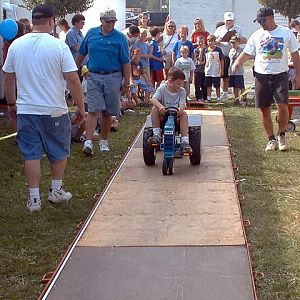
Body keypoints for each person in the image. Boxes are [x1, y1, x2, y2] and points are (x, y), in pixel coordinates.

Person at [2, 4, 85, 212]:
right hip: (54, 109)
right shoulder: (58, 46)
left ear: (33, 21)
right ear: (51, 20)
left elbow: (8, 78)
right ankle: (56, 191)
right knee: (58, 151)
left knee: (31, 154)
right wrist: (81, 107)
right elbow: (73, 80)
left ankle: (34, 199)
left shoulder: (16, 45)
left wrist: (12, 104)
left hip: (27, 109)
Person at [232, 7, 300, 152]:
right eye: (259, 21)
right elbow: (247, 52)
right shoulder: (257, 34)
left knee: (282, 105)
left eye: (263, 20)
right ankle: (271, 139)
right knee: (264, 109)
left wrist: (299, 75)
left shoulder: (286, 33)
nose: (261, 24)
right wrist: (238, 62)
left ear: (271, 17)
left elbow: (295, 55)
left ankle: (281, 135)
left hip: (280, 75)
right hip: (261, 76)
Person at [76, 9, 130, 155]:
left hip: (113, 77)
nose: (110, 24)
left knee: (107, 112)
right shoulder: (91, 34)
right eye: (108, 21)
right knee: (93, 110)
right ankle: (88, 142)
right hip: (93, 76)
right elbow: (81, 53)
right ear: (101, 20)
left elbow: (126, 62)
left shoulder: (120, 38)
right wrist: (74, 70)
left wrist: (126, 83)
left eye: (113, 21)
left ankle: (104, 140)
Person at [148, 67, 192, 153]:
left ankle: (184, 141)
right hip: (163, 117)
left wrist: (180, 109)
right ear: (170, 81)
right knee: (154, 108)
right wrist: (160, 106)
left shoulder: (182, 91)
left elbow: (183, 104)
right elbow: (153, 99)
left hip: (176, 118)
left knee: (184, 114)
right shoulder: (162, 89)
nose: (181, 86)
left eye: (182, 84)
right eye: (178, 84)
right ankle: (156, 135)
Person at [214, 12, 247, 100]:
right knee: (224, 75)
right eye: (227, 20)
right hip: (223, 55)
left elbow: (245, 40)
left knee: (236, 75)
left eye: (231, 21)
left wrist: (236, 39)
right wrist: (219, 40)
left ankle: (239, 95)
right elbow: (214, 41)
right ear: (224, 20)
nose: (229, 22)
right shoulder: (219, 29)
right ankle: (224, 92)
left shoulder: (238, 28)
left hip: (235, 55)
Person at [204, 34, 224, 102]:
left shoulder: (218, 50)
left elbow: (222, 60)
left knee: (217, 86)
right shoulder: (206, 50)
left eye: (212, 41)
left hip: (216, 71)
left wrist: (222, 70)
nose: (210, 43)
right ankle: (208, 98)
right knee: (208, 85)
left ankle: (218, 98)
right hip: (208, 71)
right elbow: (205, 60)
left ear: (215, 41)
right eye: (209, 41)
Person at [228, 35, 245, 104]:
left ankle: (244, 98)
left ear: (238, 43)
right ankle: (236, 99)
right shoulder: (231, 50)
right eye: (231, 43)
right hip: (232, 71)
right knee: (234, 86)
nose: (232, 44)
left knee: (240, 85)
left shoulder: (241, 50)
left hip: (239, 71)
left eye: (234, 43)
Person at [193, 36, 207, 102]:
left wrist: (203, 62)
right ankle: (198, 97)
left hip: (204, 70)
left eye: (202, 42)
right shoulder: (196, 50)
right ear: (197, 42)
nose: (201, 43)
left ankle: (205, 97)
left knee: (204, 85)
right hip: (197, 70)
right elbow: (199, 61)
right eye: (199, 42)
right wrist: (201, 51)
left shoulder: (206, 50)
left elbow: (205, 61)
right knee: (197, 85)